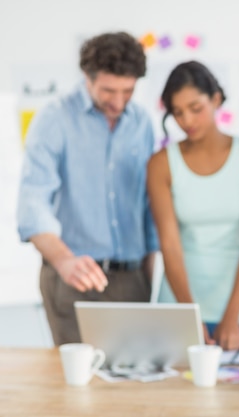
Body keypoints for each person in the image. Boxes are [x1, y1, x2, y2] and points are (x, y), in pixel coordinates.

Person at [16, 32, 158, 346]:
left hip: (132, 281)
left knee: (135, 386)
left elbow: (148, 206)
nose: (118, 102)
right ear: (87, 78)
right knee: (80, 386)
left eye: (128, 91)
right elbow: (32, 205)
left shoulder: (142, 123)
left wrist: (148, 279)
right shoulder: (55, 118)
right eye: (109, 90)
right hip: (72, 277)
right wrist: (65, 261)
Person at [147, 61, 239, 351]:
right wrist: (190, 316)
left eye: (195, 108)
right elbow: (170, 246)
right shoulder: (161, 163)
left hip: (234, 309)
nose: (187, 120)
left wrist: (232, 315)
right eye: (177, 112)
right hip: (177, 306)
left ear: (215, 100)